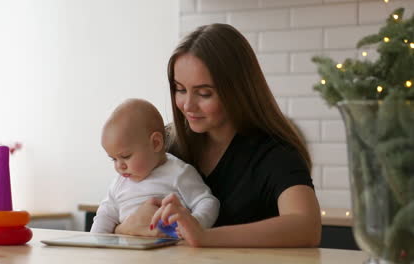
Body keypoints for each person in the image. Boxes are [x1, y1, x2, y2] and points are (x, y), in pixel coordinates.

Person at [114, 24, 322, 248]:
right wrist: (124, 228)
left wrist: (203, 236)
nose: (188, 105)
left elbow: (306, 227)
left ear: (238, 90)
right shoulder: (165, 143)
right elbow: (118, 215)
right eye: (180, 89)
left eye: (204, 93)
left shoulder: (274, 153)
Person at [90, 98, 219, 235]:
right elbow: (104, 216)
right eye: (113, 159)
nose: (119, 166)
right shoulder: (118, 183)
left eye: (126, 156)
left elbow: (208, 202)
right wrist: (94, 244)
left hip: (172, 251)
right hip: (128, 253)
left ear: (156, 143)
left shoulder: (178, 172)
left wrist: (195, 224)